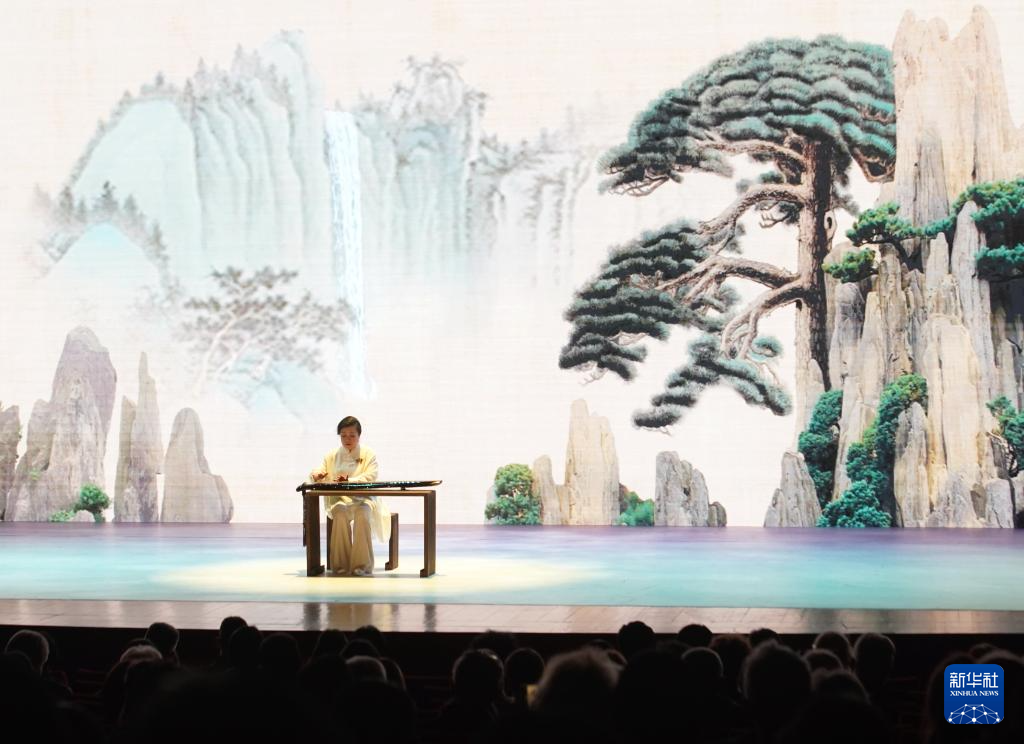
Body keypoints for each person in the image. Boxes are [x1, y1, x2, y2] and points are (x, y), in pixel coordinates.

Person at [309, 416, 388, 576]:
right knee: (339, 512)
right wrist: (316, 475)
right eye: (343, 435)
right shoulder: (332, 455)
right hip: (340, 499)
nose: (347, 439)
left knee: (362, 513)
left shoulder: (368, 454)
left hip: (364, 499)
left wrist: (348, 480)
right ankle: (340, 566)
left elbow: (371, 476)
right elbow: (319, 471)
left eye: (352, 435)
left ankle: (362, 566)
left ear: (359, 435)